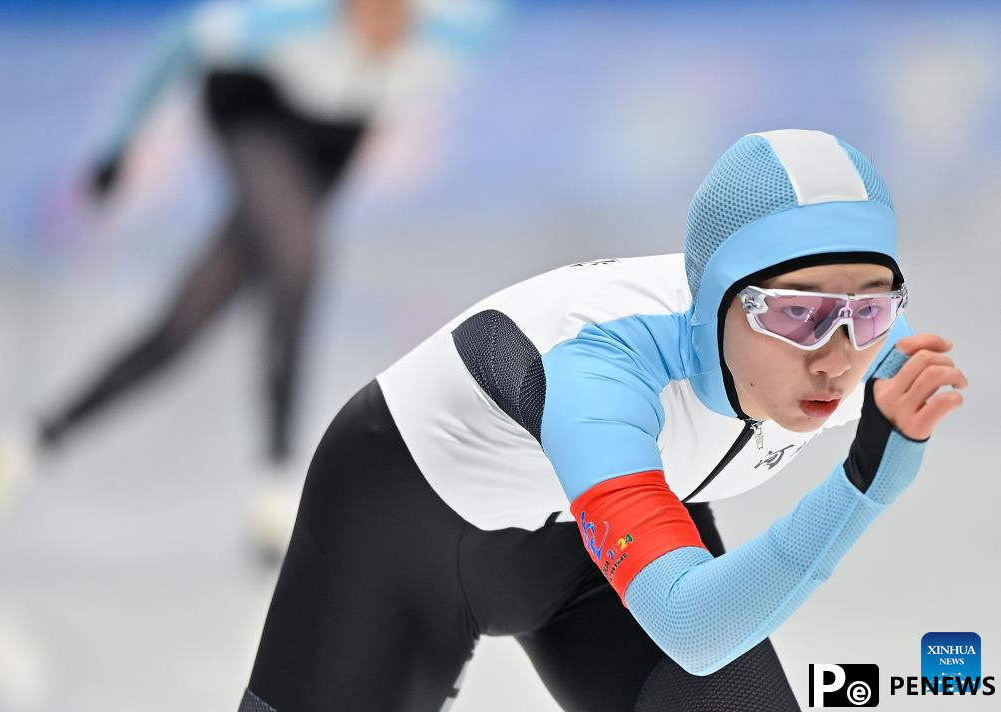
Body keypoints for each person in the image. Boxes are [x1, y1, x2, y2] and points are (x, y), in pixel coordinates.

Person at [238, 129, 967, 711]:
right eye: (796, 314)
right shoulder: (597, 370)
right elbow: (692, 626)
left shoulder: (868, 354)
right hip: (400, 536)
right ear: (714, 297)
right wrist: (864, 484)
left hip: (590, 566)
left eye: (867, 309)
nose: (836, 358)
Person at [0, 0, 501, 554]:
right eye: (363, 13)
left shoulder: (454, 42)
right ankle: (275, 484)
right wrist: (118, 148)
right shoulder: (289, 23)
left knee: (182, 327)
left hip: (332, 138)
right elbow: (182, 41)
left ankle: (24, 446)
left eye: (392, 16)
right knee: (299, 263)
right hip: (251, 105)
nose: (377, 29)